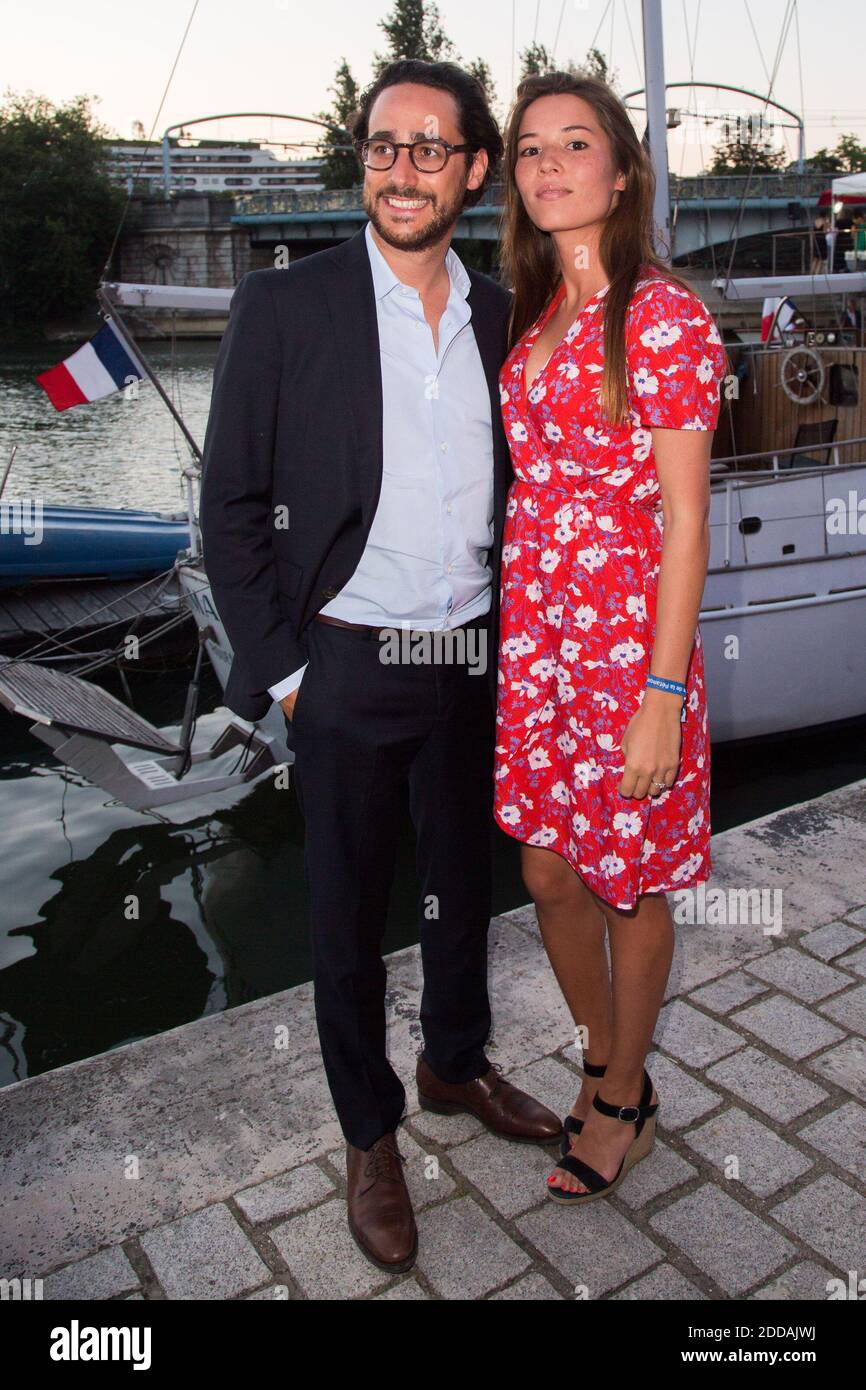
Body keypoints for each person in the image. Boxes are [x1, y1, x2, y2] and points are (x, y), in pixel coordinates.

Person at [199, 58, 560, 1274]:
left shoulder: (506, 313)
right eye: (380, 145)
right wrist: (291, 676)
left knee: (464, 887)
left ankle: (452, 1063)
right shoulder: (286, 307)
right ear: (363, 161)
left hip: (465, 653)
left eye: (428, 148)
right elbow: (233, 511)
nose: (400, 169)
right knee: (346, 915)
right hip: (342, 662)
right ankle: (369, 1132)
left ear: (469, 170)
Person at [492, 71, 728, 1203]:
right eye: (528, 147)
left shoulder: (664, 315)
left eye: (572, 143)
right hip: (541, 641)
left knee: (628, 882)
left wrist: (662, 692)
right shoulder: (539, 305)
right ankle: (600, 1050)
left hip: (627, 642)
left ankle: (624, 1091)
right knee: (547, 870)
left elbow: (686, 519)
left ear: (622, 170)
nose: (546, 164)